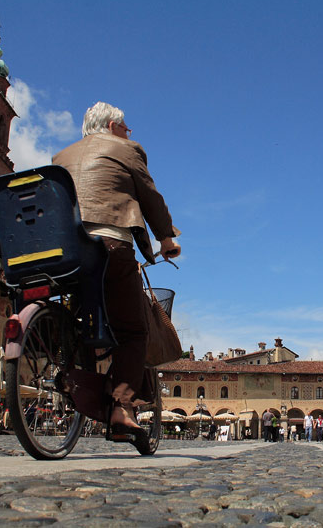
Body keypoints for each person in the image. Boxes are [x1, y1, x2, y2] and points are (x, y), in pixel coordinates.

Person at [52, 102, 181, 445]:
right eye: (126, 127)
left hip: (61, 252)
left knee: (82, 316)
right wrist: (166, 239)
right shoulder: (127, 149)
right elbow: (149, 196)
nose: (129, 133)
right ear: (112, 126)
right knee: (133, 331)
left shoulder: (59, 157)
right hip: (108, 246)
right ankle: (122, 409)